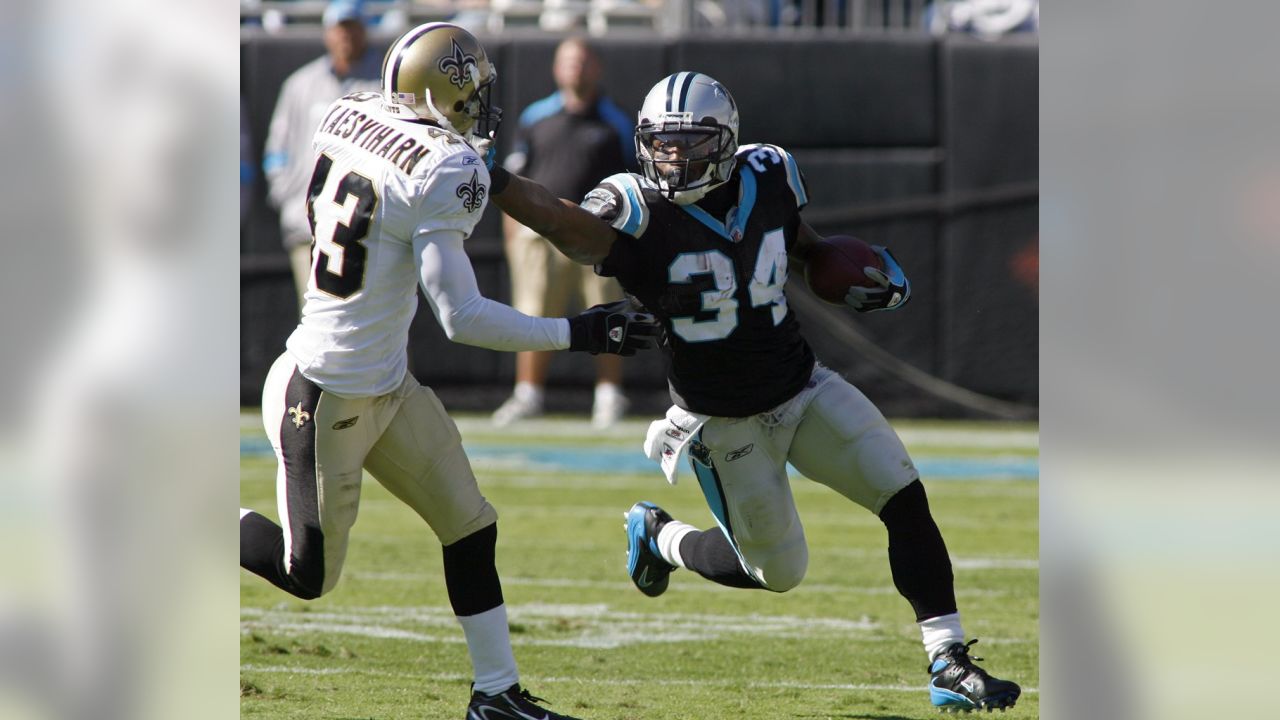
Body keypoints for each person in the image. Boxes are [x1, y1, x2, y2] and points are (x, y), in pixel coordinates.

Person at [488, 72, 1022, 713]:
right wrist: (494, 178)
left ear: (727, 142)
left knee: (901, 491)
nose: (673, 158)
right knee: (779, 572)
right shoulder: (634, 205)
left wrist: (843, 271)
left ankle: (948, 659)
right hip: (721, 419)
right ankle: (660, 537)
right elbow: (564, 224)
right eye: (661, 144)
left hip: (800, 385)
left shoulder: (770, 174)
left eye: (689, 144)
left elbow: (799, 245)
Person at [238, 23, 657, 720]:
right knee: (305, 574)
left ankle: (495, 695)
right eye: (472, 90)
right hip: (322, 391)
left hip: (386, 384)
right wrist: (581, 332)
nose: (481, 104)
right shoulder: (443, 168)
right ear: (442, 92)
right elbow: (461, 318)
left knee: (469, 524)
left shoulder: (348, 112)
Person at [492, 37, 637, 429]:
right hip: (538, 237)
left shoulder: (617, 121)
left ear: (598, 68)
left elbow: (633, 182)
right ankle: (529, 393)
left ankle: (608, 396)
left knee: (607, 313)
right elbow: (512, 177)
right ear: (556, 68)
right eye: (569, 61)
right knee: (534, 312)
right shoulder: (535, 117)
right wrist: (513, 233)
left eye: (584, 61)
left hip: (599, 235)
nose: (577, 68)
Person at [263, 0, 381, 314]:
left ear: (364, 31)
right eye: (339, 29)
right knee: (316, 319)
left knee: (376, 317)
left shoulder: (383, 84)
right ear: (327, 34)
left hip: (370, 227)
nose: (346, 36)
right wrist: (288, 199)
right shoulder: (300, 85)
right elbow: (276, 151)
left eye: (352, 27)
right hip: (308, 226)